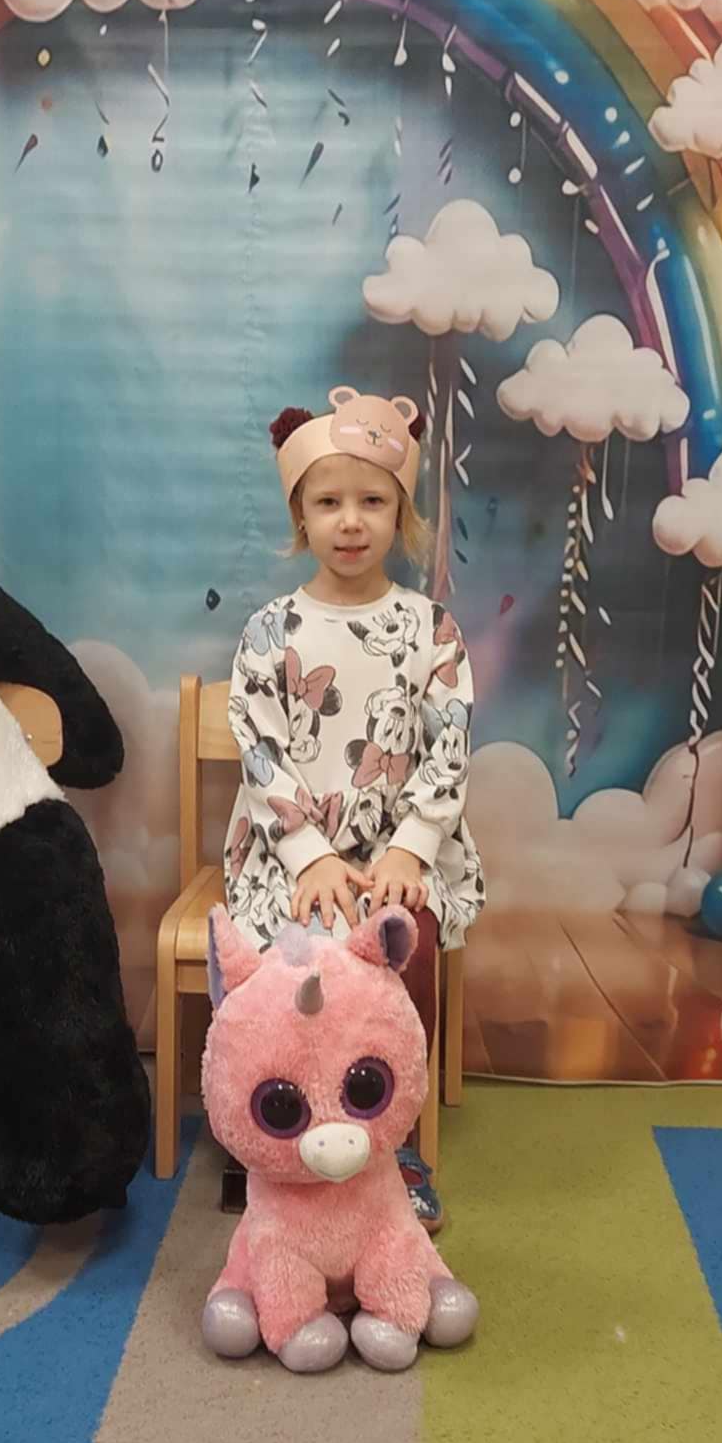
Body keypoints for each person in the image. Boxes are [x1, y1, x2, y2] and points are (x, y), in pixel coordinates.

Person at [222, 387, 485, 1231]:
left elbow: (449, 744)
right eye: (328, 502)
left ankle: (390, 1134)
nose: (350, 521)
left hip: (397, 849)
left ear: (401, 514)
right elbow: (260, 752)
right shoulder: (269, 632)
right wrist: (311, 857)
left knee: (408, 938)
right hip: (292, 851)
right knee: (283, 959)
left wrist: (411, 848)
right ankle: (272, 1122)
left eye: (372, 501)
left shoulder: (430, 629)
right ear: (300, 517)